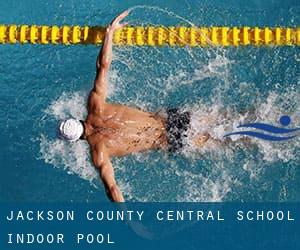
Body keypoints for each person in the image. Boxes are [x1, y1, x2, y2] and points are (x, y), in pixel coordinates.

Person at [58, 11, 210, 202]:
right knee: (226, 118)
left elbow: (112, 189)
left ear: (76, 140)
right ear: (76, 119)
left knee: (228, 141)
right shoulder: (95, 105)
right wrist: (109, 33)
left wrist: (129, 221)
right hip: (172, 118)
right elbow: (103, 66)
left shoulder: (99, 152)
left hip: (171, 140)